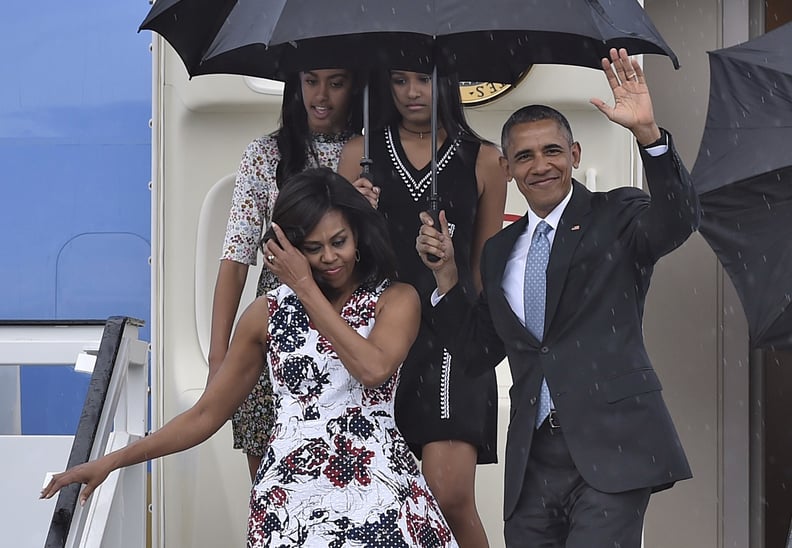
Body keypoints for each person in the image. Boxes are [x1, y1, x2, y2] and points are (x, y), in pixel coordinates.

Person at [42, 168, 459, 548]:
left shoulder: (396, 297)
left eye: (339, 242)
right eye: (313, 248)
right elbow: (206, 416)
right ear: (288, 246)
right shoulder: (265, 313)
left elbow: (372, 369)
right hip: (290, 501)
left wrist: (305, 288)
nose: (330, 258)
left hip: (378, 495)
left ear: (359, 236)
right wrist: (111, 462)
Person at [415, 48, 700, 548]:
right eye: (524, 156)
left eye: (552, 151)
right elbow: (480, 350)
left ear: (575, 155)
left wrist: (649, 137)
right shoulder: (499, 251)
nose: (540, 165)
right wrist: (446, 280)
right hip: (533, 459)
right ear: (506, 168)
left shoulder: (618, 213)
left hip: (612, 445)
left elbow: (677, 220)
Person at [338, 68, 507, 547]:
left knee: (449, 494)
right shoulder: (359, 154)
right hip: (378, 333)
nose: (412, 92)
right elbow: (331, 259)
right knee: (370, 499)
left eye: (424, 79)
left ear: (448, 82)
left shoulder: (486, 159)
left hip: (452, 334)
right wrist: (353, 213)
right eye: (397, 79)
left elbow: (483, 269)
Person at [209, 68, 363, 480]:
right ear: (295, 87)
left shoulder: (373, 152)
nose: (322, 94)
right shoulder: (264, 153)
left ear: (356, 86)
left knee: (347, 475)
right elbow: (235, 256)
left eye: (337, 81)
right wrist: (217, 357)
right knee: (271, 482)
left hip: (349, 319)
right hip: (276, 322)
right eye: (310, 80)